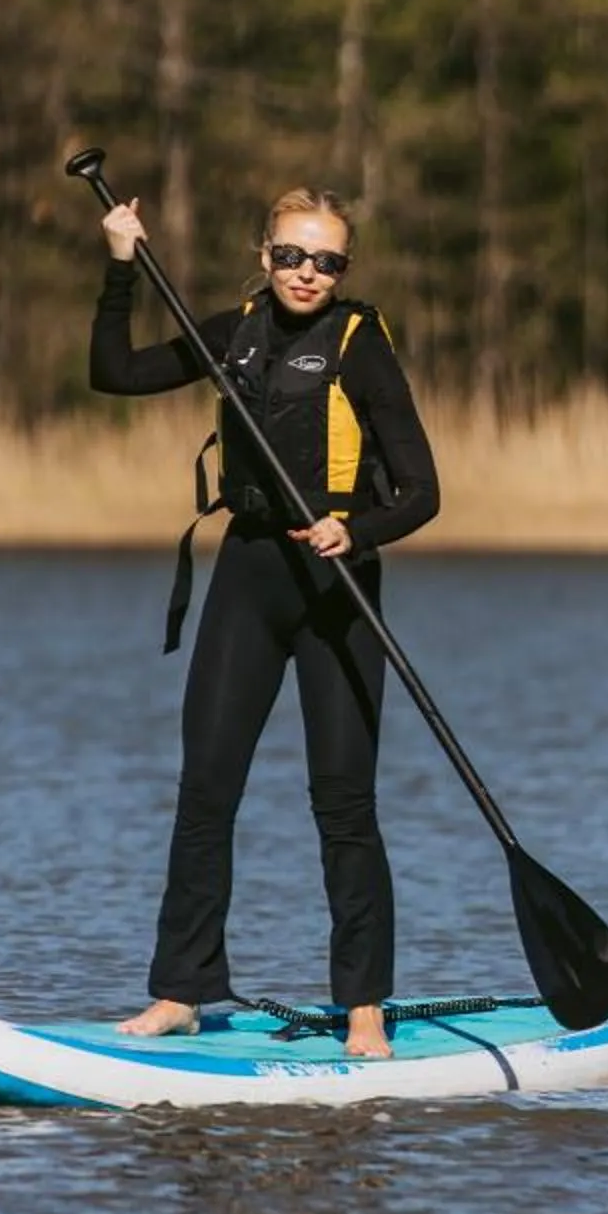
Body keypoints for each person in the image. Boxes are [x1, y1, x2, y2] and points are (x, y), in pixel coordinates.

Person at [90, 188, 439, 1058]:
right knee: (206, 790)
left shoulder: (360, 349)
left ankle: (363, 1010)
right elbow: (116, 373)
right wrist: (120, 267)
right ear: (264, 255)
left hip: (336, 589)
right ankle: (181, 990)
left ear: (343, 270)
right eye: (292, 255)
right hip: (248, 575)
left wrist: (354, 528)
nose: (307, 274)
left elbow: (422, 491)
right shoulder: (232, 331)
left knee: (343, 804)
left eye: (326, 261)